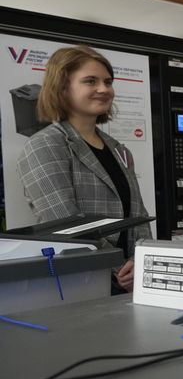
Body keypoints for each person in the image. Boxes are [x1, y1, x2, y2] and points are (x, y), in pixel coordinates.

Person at [17, 45, 150, 293]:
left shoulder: (118, 149)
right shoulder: (45, 144)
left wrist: (141, 259)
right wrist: (118, 266)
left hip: (129, 281)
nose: (104, 89)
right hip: (82, 281)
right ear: (62, 88)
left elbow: (138, 214)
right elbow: (63, 222)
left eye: (108, 82)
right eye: (91, 81)